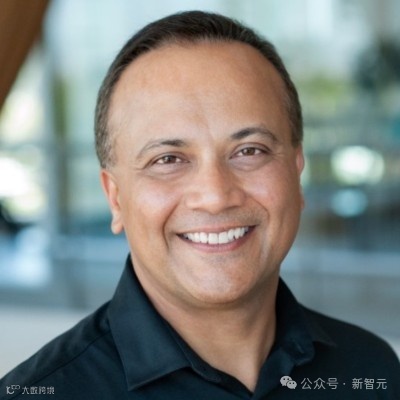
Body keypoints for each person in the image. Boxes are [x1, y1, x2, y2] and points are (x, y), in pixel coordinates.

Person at [1, 10, 399, 400]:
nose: (215, 196)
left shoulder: (371, 370)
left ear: (296, 173)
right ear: (115, 198)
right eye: (168, 159)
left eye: (249, 150)